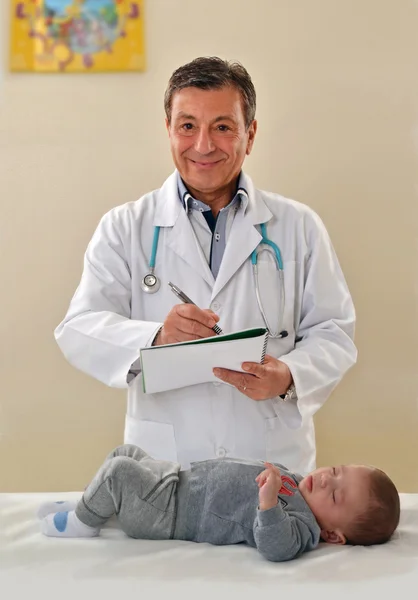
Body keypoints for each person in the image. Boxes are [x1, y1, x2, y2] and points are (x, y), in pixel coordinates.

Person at [54, 56, 357, 473]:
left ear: (249, 135)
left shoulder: (299, 226)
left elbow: (335, 333)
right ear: (169, 130)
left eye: (222, 126)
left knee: (272, 534)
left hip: (270, 462)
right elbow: (78, 328)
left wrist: (289, 374)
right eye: (188, 126)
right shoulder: (125, 226)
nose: (203, 145)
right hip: (164, 467)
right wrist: (157, 336)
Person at [38, 444, 400, 563]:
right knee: (126, 452)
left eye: (334, 494)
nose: (324, 479)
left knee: (119, 471)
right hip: (174, 481)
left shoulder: (302, 526)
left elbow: (275, 546)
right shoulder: (297, 481)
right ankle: (89, 503)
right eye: (334, 471)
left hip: (168, 514)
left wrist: (268, 500)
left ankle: (82, 522)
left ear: (333, 536)